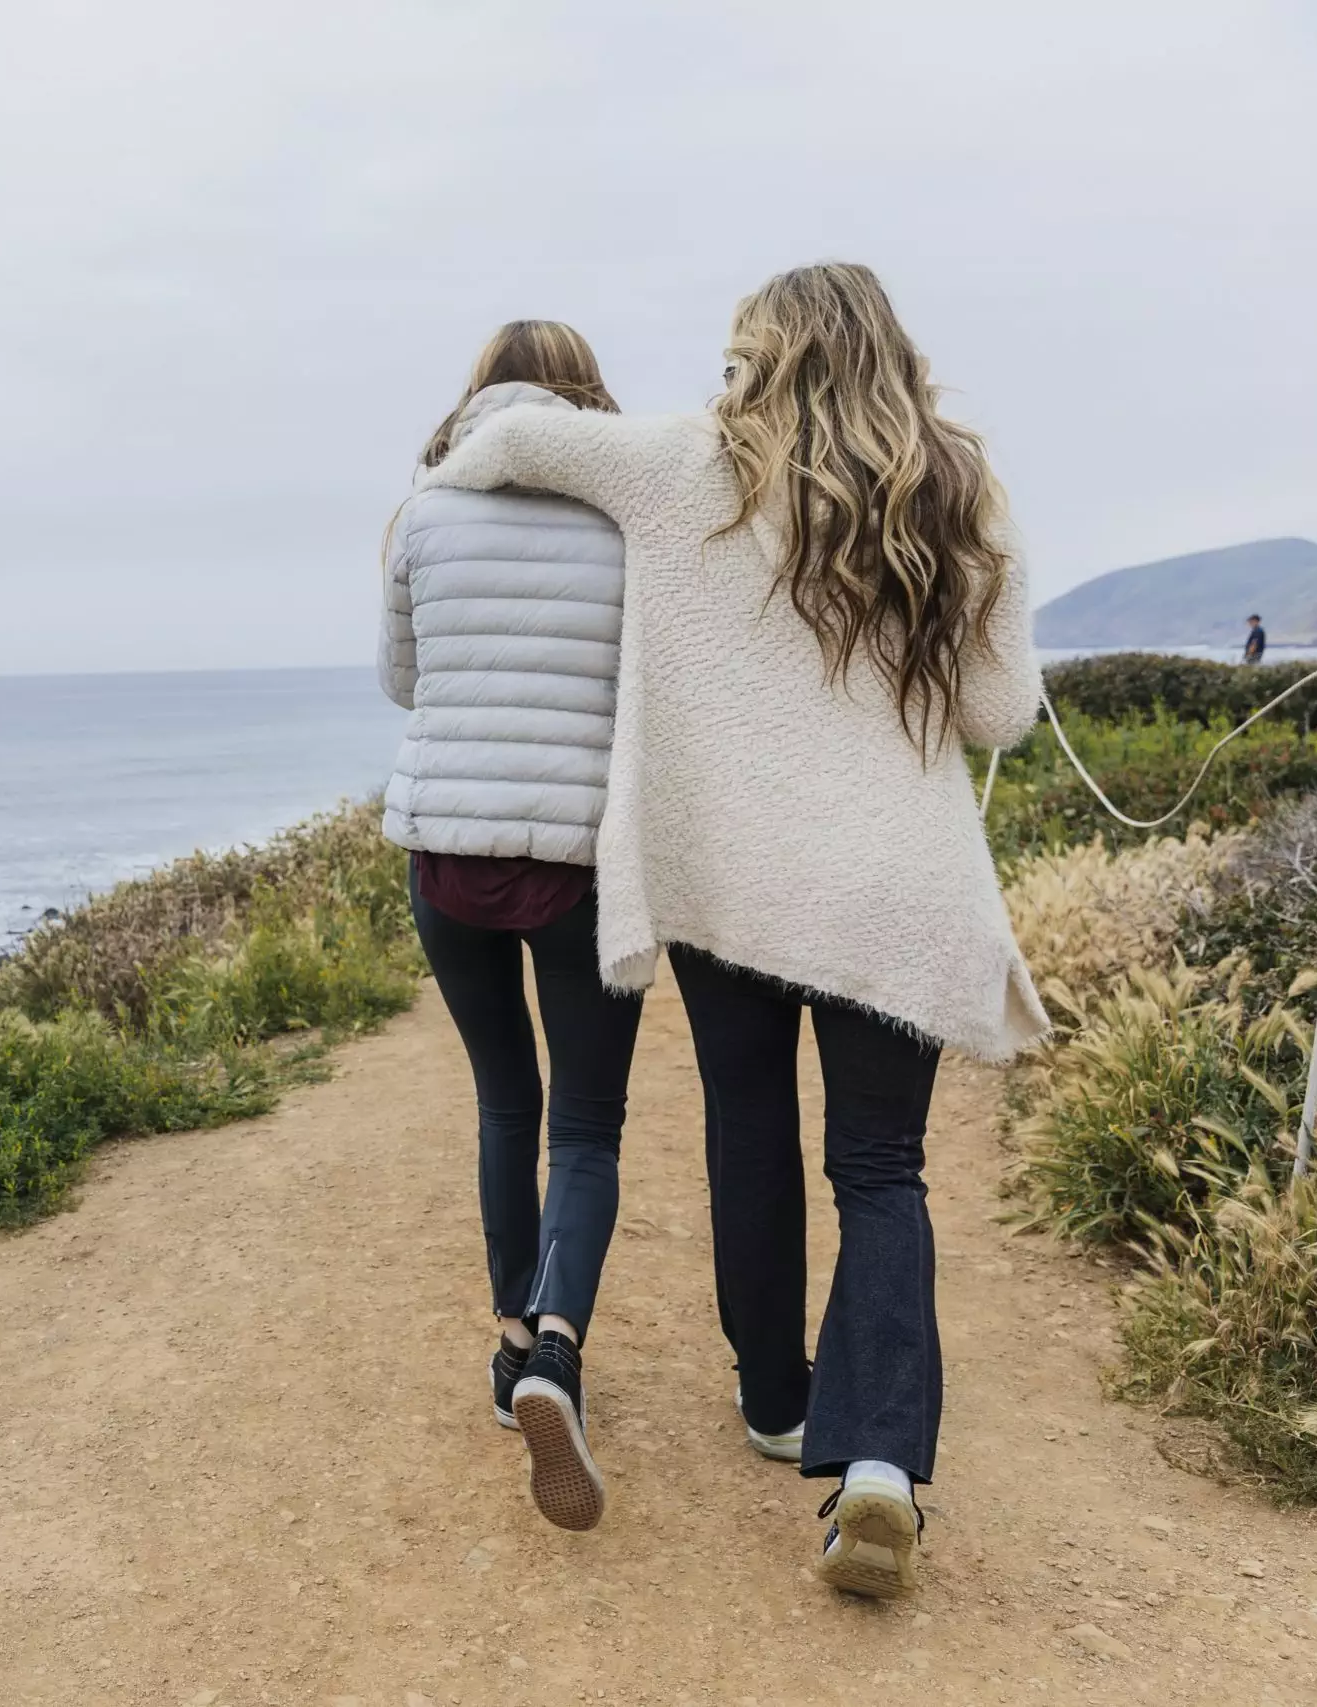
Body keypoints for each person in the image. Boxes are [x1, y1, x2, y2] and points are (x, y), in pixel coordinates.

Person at [425, 262, 1046, 1597]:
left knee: (747, 1126)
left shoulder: (684, 462)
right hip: (897, 889)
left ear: (762, 355)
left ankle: (776, 1398)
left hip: (734, 887)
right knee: (881, 1168)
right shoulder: (959, 484)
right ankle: (876, 1466)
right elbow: (999, 709)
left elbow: (508, 437)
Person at [379, 319, 643, 1532]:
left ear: (479, 394)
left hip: (451, 854)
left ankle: (505, 1346)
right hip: (583, 860)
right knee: (586, 1127)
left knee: (506, 1102)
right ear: (586, 397)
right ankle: (553, 1352)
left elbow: (402, 680)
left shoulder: (422, 511)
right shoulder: (626, 516)